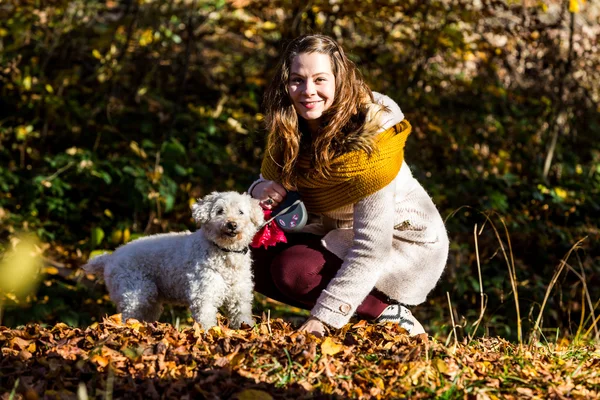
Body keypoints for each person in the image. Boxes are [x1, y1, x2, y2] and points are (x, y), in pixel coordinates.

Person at [248, 34, 449, 338]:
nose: (308, 91)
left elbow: (371, 249)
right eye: (297, 80)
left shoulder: (370, 148)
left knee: (294, 271)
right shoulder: (289, 128)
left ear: (339, 81)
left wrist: (324, 318)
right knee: (246, 250)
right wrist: (258, 192)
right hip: (335, 231)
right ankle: (356, 316)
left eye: (320, 79)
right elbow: (268, 184)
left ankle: (386, 313)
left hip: (401, 243)